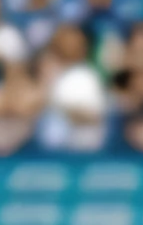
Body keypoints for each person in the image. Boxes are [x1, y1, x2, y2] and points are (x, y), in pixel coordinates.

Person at [36, 22, 107, 152]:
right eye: (64, 42)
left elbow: (92, 116)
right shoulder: (48, 72)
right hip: (47, 150)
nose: (68, 46)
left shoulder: (87, 76)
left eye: (73, 43)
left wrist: (60, 105)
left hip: (82, 146)